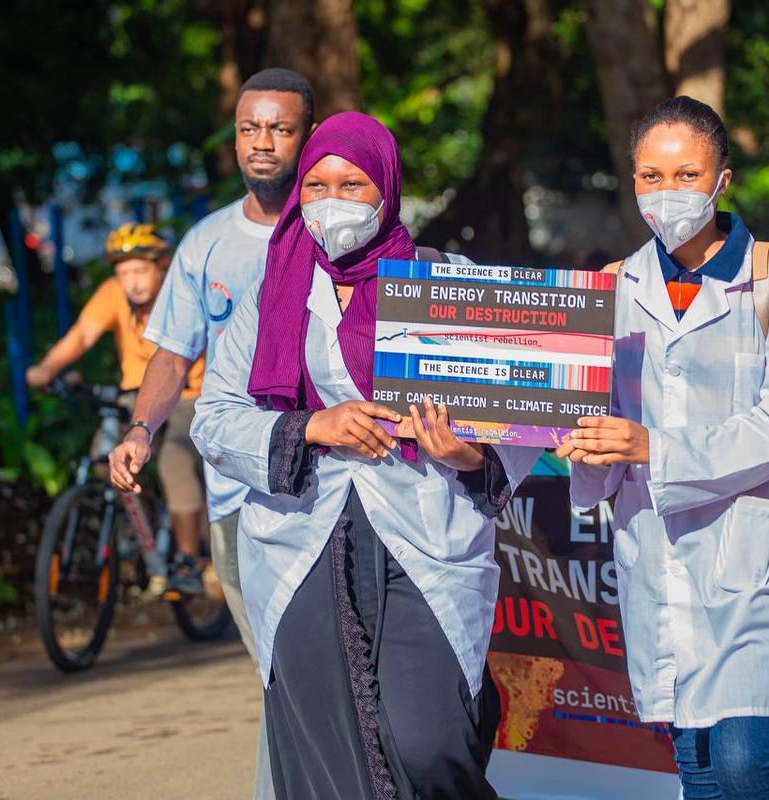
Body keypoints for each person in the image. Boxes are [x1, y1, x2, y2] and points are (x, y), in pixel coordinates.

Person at [189, 111, 539, 800]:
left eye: (351, 184)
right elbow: (215, 419)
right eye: (316, 185)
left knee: (431, 741)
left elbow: (523, 413)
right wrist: (315, 427)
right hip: (303, 543)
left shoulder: (448, 284)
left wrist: (469, 456)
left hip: (423, 536)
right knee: (328, 749)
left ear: (386, 187)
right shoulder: (274, 295)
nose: (332, 201)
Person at [557, 96, 769, 800]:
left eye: (686, 174)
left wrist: (656, 447)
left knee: (742, 759)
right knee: (696, 763)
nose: (667, 192)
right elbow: (600, 426)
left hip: (752, 551)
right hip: (657, 553)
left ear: (722, 180)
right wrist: (592, 453)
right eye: (650, 175)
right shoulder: (615, 288)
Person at [107, 68, 313, 800]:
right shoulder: (204, 244)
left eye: (280, 128)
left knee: (324, 669)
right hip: (237, 498)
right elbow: (172, 352)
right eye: (250, 129)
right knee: (275, 670)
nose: (263, 143)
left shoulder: (338, 230)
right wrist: (140, 428)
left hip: (333, 492)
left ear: (306, 137)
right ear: (234, 139)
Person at [27, 222, 209, 592]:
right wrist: (47, 368)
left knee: (174, 459)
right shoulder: (113, 294)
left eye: (141, 270)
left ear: (161, 266)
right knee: (104, 455)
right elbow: (82, 334)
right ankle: (127, 528)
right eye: (124, 273)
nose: (133, 281)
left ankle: (189, 559)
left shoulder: (181, 293)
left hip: (188, 394)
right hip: (134, 394)